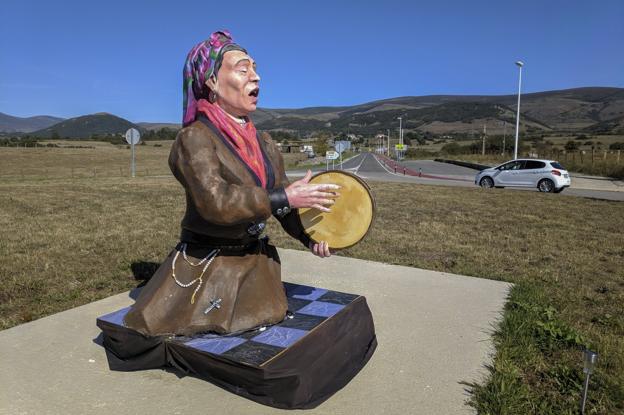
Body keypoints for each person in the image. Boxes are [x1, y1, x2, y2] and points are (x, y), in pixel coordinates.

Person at [124, 30, 339, 336]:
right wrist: (283, 198)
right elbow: (216, 202)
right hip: (209, 266)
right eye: (243, 69)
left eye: (255, 68)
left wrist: (311, 236)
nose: (257, 77)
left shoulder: (263, 142)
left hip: (255, 263)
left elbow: (282, 203)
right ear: (211, 82)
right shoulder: (195, 138)